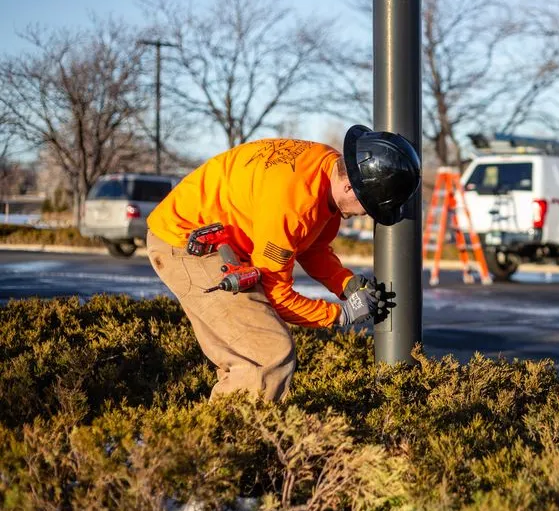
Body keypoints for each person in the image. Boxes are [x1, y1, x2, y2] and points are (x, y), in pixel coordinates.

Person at [145, 124, 421, 402]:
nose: (366, 215)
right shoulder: (294, 204)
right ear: (350, 186)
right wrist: (340, 315)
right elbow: (278, 295)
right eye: (369, 206)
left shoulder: (328, 168)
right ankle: (234, 439)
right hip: (186, 241)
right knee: (267, 355)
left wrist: (345, 283)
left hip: (215, 237)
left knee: (248, 360)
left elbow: (311, 246)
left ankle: (223, 433)